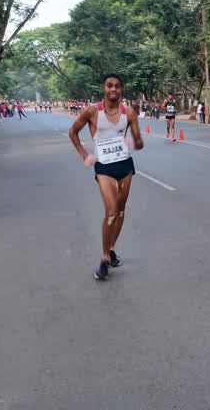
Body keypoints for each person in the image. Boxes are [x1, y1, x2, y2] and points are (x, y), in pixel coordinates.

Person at [69, 74, 143, 281]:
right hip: (104, 167)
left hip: (125, 165)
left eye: (117, 86)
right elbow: (73, 132)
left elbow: (139, 142)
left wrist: (133, 143)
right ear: (104, 88)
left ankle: (110, 249)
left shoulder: (129, 113)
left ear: (121, 90)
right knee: (110, 212)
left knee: (120, 212)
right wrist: (85, 155)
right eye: (110, 86)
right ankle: (103, 258)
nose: (113, 89)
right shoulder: (92, 111)